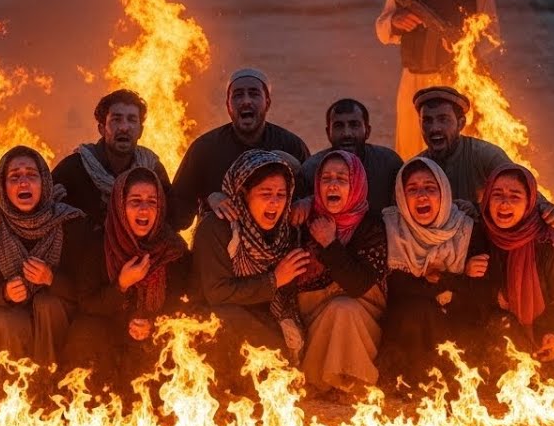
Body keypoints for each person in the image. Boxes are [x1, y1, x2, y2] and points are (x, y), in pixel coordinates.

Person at [375, 0, 500, 158]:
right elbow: (382, 29)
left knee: (458, 152)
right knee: (412, 151)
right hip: (414, 79)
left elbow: (492, 34)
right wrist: (396, 22)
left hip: (456, 80)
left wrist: (465, 47)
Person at [64, 167, 190, 391]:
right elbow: (88, 302)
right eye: (135, 201)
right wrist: (121, 284)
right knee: (84, 332)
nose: (144, 209)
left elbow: (185, 301)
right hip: (109, 331)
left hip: (156, 336)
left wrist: (153, 323)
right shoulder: (99, 244)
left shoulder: (173, 250)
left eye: (152, 201)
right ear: (120, 207)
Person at [191, 150, 307, 392]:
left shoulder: (285, 231)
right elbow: (217, 294)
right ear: (243, 194)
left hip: (263, 316)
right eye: (265, 194)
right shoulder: (217, 229)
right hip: (215, 322)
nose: (274, 203)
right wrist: (274, 280)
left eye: (281, 195)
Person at [276, 151, 387, 400]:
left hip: (362, 312)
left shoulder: (372, 225)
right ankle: (317, 382)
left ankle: (350, 384)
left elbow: (358, 285)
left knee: (342, 309)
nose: (333, 184)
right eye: (326, 178)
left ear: (356, 185)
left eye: (342, 178)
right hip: (310, 312)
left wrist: (330, 243)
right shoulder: (302, 219)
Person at [377, 158, 489, 388]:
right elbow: (398, 288)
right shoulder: (389, 227)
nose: (422, 196)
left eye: (430, 188)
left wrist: (446, 279)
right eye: (413, 189)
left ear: (444, 193)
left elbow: (480, 290)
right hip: (406, 331)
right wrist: (459, 279)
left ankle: (451, 383)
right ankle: (410, 384)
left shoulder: (466, 229)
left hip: (453, 328)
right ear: (401, 195)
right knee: (415, 310)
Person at [0, 146, 89, 372]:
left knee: (47, 303)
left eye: (32, 175)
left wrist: (51, 278)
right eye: (15, 177)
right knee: (4, 318)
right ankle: (6, 395)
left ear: (44, 183)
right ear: (3, 187)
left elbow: (86, 289)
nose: (23, 182)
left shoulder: (70, 222)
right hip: (14, 316)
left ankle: (50, 385)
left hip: (57, 317)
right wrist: (4, 293)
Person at [476, 163, 554, 374]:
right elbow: (465, 295)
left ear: (529, 203)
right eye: (497, 195)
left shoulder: (550, 243)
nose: (504, 203)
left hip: (546, 328)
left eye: (515, 196)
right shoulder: (477, 235)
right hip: (499, 330)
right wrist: (493, 295)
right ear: (487, 199)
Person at [169, 68, 309, 230]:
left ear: (267, 103)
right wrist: (210, 199)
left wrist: (305, 203)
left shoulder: (291, 146)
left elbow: (313, 199)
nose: (246, 101)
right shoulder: (204, 149)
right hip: (217, 248)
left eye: (254, 94)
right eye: (238, 95)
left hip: (279, 251)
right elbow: (177, 216)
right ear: (228, 105)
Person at [413, 86, 554, 227]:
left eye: (443, 119)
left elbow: (520, 187)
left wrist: (545, 209)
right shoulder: (415, 167)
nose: (434, 128)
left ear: (461, 124)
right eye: (427, 121)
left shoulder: (483, 154)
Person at [51, 89, 170, 228]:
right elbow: (45, 213)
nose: (124, 127)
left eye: (131, 119)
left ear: (140, 131)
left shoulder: (152, 170)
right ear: (101, 129)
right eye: (116, 119)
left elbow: (173, 218)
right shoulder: (74, 168)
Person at [300, 98, 402, 213]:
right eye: (339, 126)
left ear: (367, 131)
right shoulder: (311, 170)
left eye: (354, 125)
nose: (347, 133)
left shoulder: (388, 164)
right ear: (328, 132)